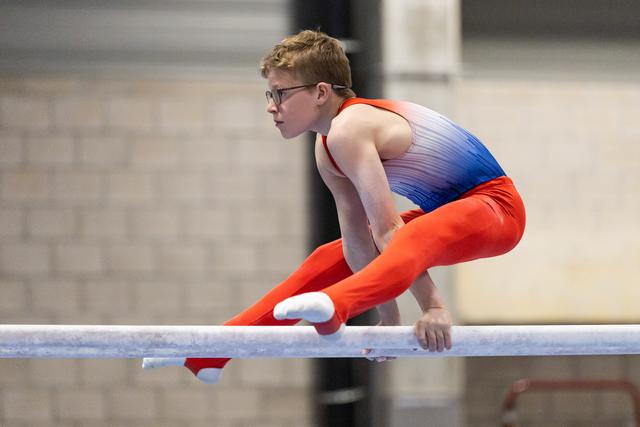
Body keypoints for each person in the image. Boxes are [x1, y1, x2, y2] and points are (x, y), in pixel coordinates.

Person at [143, 30, 526, 383]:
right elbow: (359, 241)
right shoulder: (326, 148)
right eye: (269, 95)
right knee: (330, 258)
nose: (272, 107)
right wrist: (388, 318)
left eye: (281, 94)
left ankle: (335, 306)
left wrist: (435, 308)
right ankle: (213, 352)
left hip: (496, 210)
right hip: (448, 213)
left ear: (322, 92)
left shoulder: (351, 128)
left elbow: (390, 230)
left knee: (404, 235)